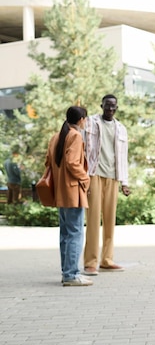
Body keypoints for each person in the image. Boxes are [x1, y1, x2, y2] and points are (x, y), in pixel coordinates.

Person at [83, 94, 131, 275]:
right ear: (101, 105)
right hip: (94, 175)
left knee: (110, 220)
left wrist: (125, 182)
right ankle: (90, 262)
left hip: (113, 177)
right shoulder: (90, 123)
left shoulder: (121, 129)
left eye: (113, 106)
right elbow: (82, 148)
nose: (110, 109)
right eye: (107, 105)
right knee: (93, 219)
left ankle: (107, 259)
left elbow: (123, 157)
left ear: (116, 108)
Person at [45, 106, 93, 286]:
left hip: (60, 191)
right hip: (73, 192)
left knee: (65, 233)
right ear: (81, 119)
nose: (86, 122)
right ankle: (71, 275)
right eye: (85, 119)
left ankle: (67, 272)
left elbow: (48, 162)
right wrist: (85, 178)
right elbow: (73, 162)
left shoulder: (56, 137)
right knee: (75, 233)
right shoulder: (75, 136)